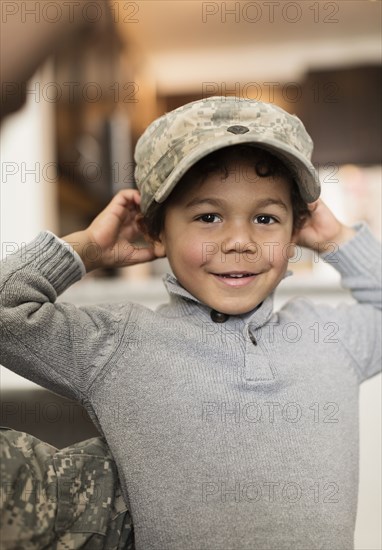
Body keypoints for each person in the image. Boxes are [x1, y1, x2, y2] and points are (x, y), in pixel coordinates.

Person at [0, 96, 380, 550]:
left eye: (266, 218)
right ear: (155, 230)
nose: (240, 240)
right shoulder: (118, 345)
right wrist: (86, 249)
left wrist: (339, 240)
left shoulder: (328, 339)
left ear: (295, 230)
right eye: (208, 217)